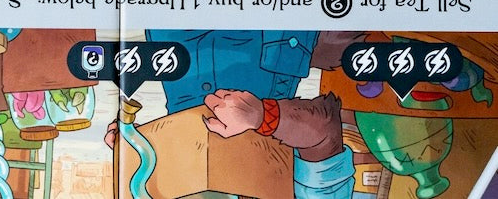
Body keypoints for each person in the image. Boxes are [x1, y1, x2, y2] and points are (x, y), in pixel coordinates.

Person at [106, 29, 358, 199]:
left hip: (177, 41)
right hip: (270, 24)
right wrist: (263, 116)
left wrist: (137, 141)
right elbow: (324, 130)